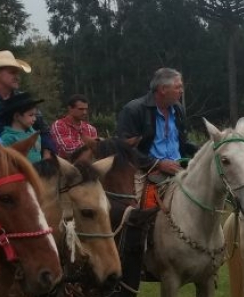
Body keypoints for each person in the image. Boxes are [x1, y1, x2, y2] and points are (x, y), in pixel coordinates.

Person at [116, 68, 195, 210]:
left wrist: (206, 149)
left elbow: (182, 142)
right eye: (178, 87)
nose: (182, 91)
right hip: (144, 171)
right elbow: (124, 148)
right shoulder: (133, 110)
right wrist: (158, 164)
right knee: (133, 212)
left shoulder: (178, 109)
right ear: (163, 89)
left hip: (179, 169)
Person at [0, 50, 59, 156]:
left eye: (17, 73)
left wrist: (47, 153)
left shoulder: (24, 100)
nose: (17, 77)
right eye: (12, 72)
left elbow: (43, 129)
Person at [0, 92, 46, 163]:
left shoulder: (34, 133)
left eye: (35, 115)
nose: (34, 118)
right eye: (31, 115)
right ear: (17, 116)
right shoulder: (8, 138)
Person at [51, 94, 97, 158]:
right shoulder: (59, 125)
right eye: (81, 109)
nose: (84, 112)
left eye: (86, 109)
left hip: (87, 166)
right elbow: (67, 149)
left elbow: (97, 151)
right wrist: (90, 143)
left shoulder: (91, 129)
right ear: (70, 108)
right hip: (65, 166)